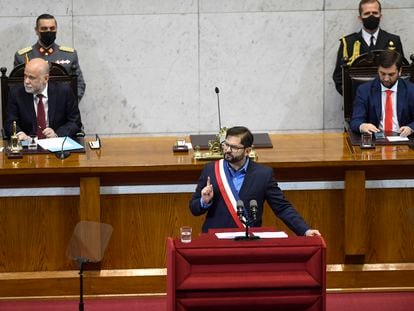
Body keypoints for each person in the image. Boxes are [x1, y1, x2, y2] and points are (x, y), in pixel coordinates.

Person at [189, 126, 321, 236]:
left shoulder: (263, 174)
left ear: (247, 151)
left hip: (248, 240)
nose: (228, 150)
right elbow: (194, 208)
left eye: (234, 147)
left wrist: (305, 230)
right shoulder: (211, 169)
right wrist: (204, 201)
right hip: (215, 239)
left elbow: (282, 208)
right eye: (226, 145)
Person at [332, 0, 406, 95]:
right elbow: (339, 77)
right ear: (360, 18)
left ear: (380, 16)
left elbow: (403, 72)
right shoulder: (348, 43)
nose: (371, 16)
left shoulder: (393, 40)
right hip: (358, 102)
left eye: (375, 13)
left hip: (388, 99)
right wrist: (352, 97)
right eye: (367, 13)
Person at [14, 13, 86, 102]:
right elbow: (16, 86)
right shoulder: (22, 56)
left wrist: (69, 104)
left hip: (62, 109)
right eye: (44, 28)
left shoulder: (70, 55)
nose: (49, 31)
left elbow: (79, 84)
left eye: (52, 28)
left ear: (56, 29)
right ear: (36, 30)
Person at [5, 58, 82, 140]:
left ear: (45, 79)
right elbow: (10, 122)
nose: (26, 81)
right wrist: (19, 134)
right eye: (25, 76)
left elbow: (75, 122)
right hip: (28, 146)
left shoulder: (64, 92)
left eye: (32, 78)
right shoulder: (16, 93)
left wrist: (57, 134)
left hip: (56, 145)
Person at [350, 50, 414, 136]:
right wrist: (362, 126)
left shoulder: (411, 90)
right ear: (378, 70)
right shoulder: (364, 90)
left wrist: (410, 128)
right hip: (375, 140)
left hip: (404, 140)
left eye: (391, 74)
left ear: (400, 71)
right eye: (382, 73)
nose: (386, 79)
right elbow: (355, 121)